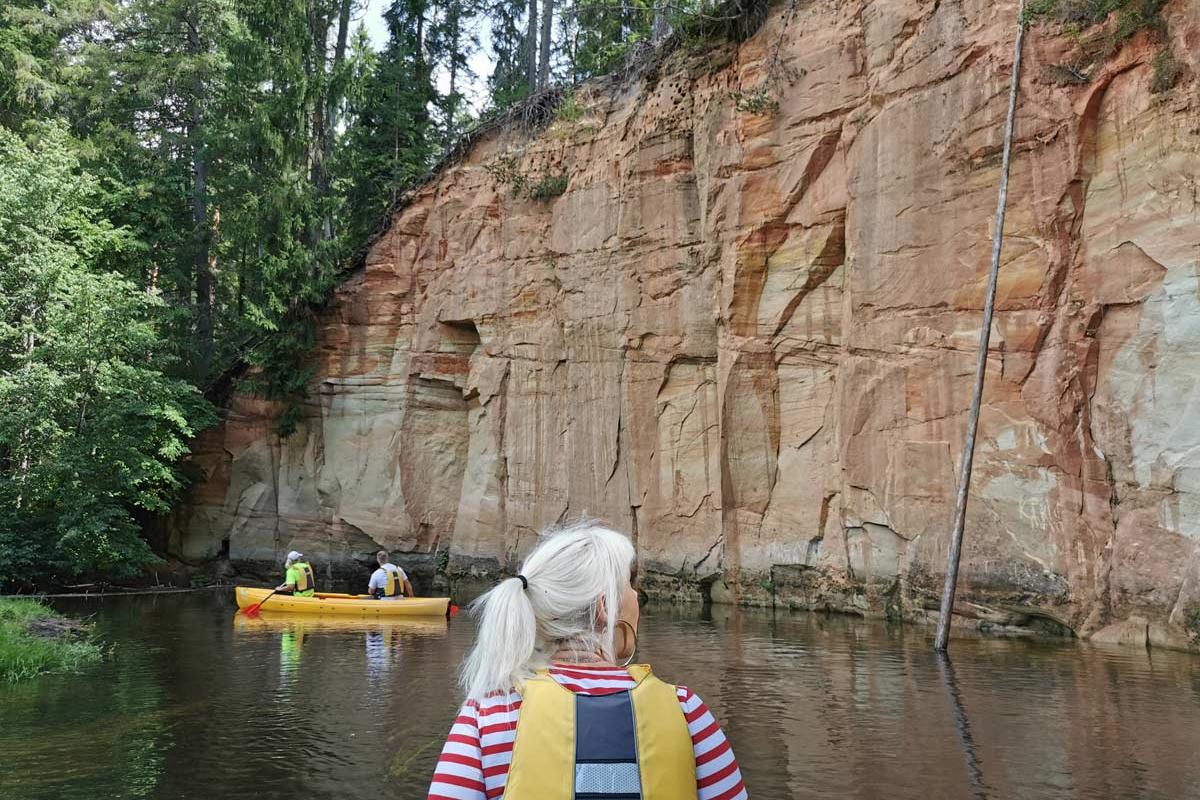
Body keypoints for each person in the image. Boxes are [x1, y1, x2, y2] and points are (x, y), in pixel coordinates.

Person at [426, 523, 748, 800]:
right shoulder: (687, 712)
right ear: (605, 606)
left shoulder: (489, 715)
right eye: (631, 585)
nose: (638, 597)